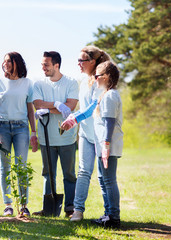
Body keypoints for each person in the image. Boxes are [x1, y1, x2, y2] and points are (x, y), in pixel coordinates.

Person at [67, 61, 123, 228]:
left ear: (105, 77)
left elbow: (109, 123)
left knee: (109, 180)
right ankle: (109, 214)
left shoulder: (110, 96)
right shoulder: (105, 95)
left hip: (107, 145)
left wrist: (105, 145)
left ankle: (113, 217)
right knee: (104, 179)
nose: (95, 79)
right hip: (103, 145)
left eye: (97, 76)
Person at [61, 46, 111, 222]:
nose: (78, 64)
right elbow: (83, 108)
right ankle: (78, 211)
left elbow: (92, 108)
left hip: (98, 134)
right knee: (83, 172)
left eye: (82, 61)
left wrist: (74, 120)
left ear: (93, 62)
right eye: (78, 61)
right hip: (85, 134)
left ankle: (109, 213)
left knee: (102, 176)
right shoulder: (83, 81)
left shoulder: (101, 80)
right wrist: (72, 116)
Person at [0, 52, 38, 216]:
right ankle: (8, 205)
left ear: (17, 63)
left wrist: (33, 133)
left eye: (9, 61)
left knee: (21, 167)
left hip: (21, 128)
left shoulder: (27, 84)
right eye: (4, 62)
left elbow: (31, 110)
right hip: (2, 128)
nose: (6, 64)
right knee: (5, 168)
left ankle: (23, 206)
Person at [32, 51, 79, 217]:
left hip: (67, 137)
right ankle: (49, 209)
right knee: (48, 174)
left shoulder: (71, 83)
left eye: (46, 64)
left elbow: (71, 105)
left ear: (56, 65)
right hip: (46, 138)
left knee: (69, 174)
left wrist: (50, 108)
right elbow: (38, 104)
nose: (43, 67)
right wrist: (58, 105)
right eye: (42, 64)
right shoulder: (39, 84)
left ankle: (70, 208)